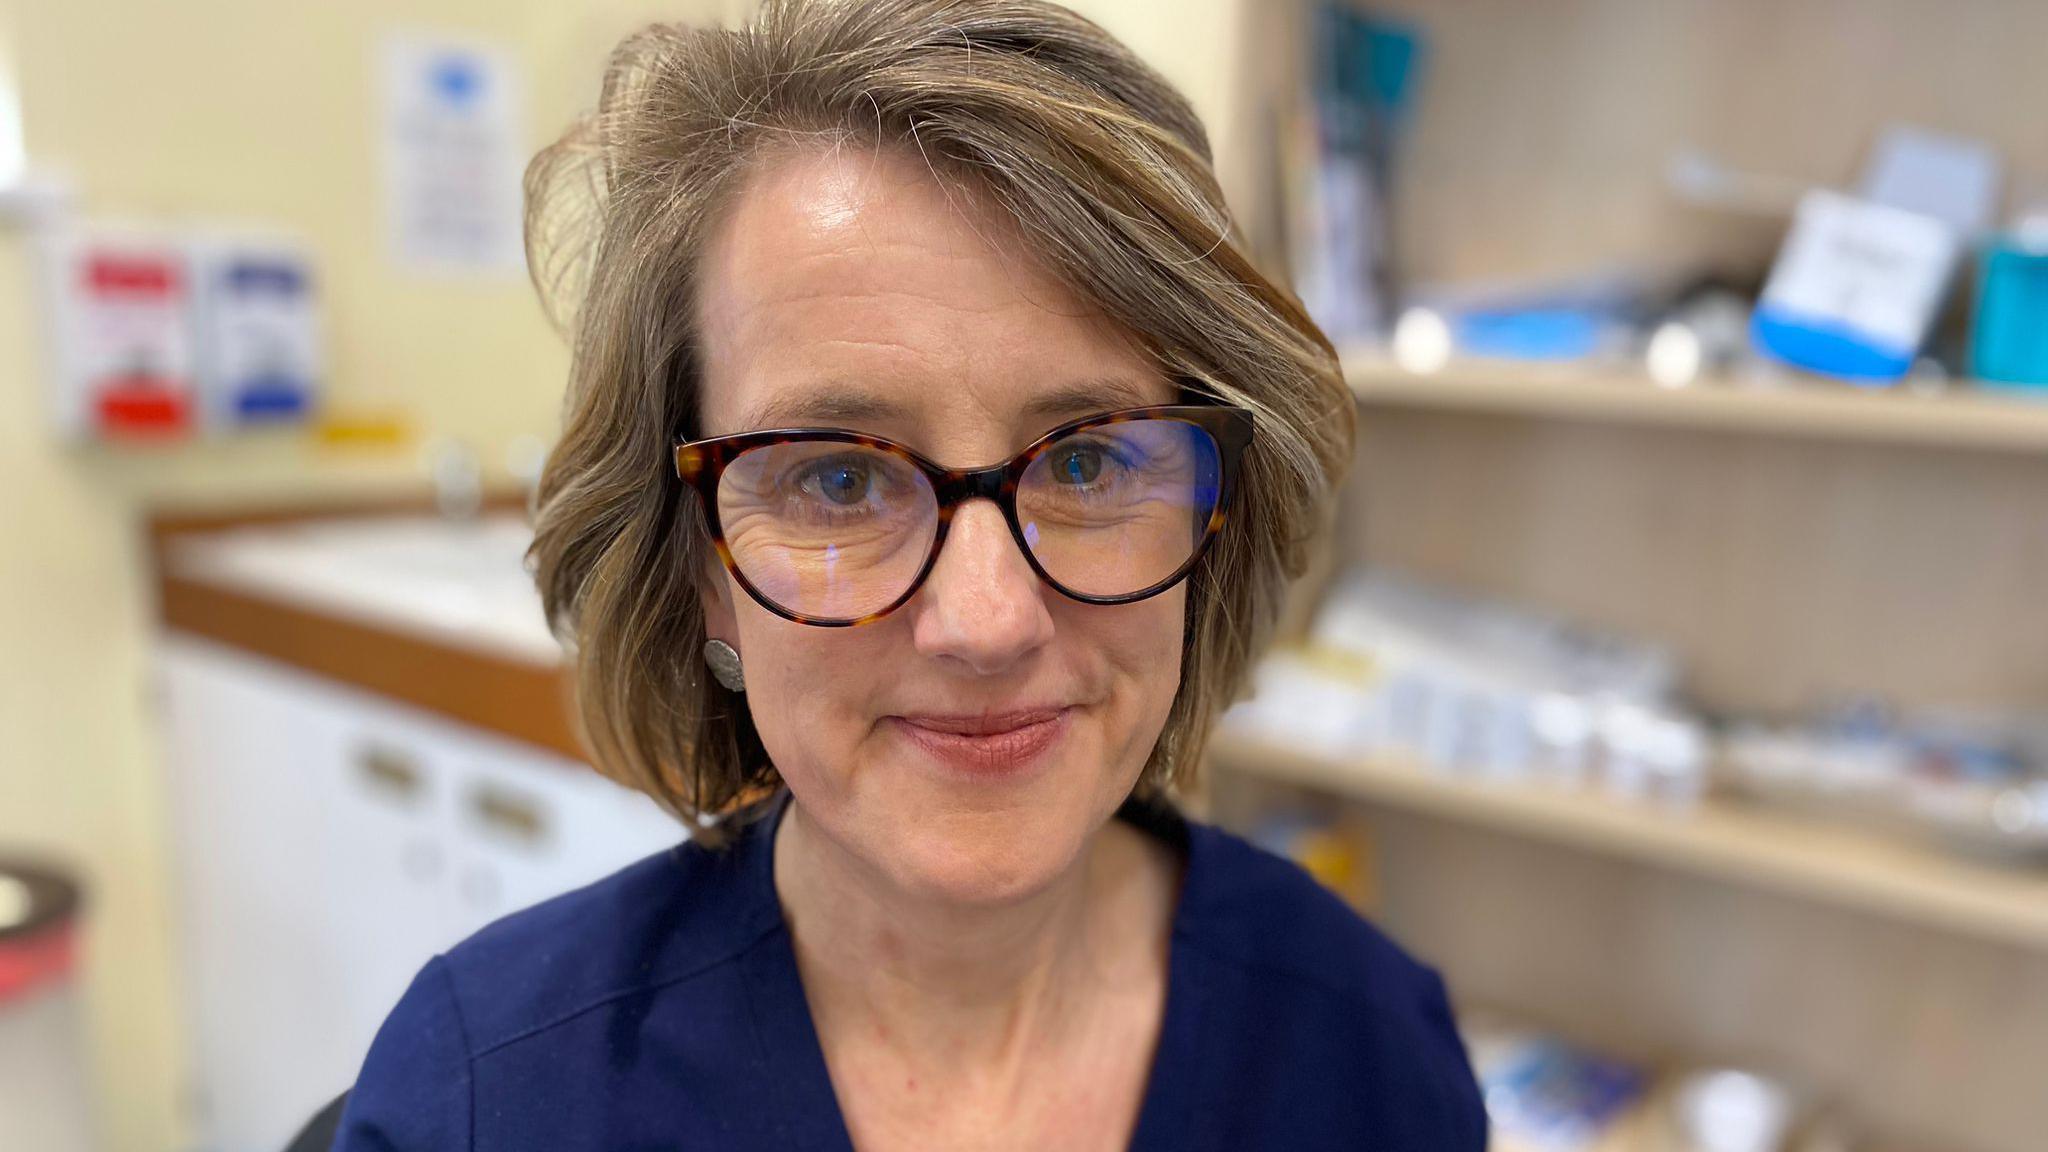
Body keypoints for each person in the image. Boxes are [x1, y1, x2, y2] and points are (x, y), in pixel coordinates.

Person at [334, 1, 1485, 1148]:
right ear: (697, 568)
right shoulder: (485, 1102)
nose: (985, 623)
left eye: (1084, 461)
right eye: (837, 482)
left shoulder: (1368, 1049)